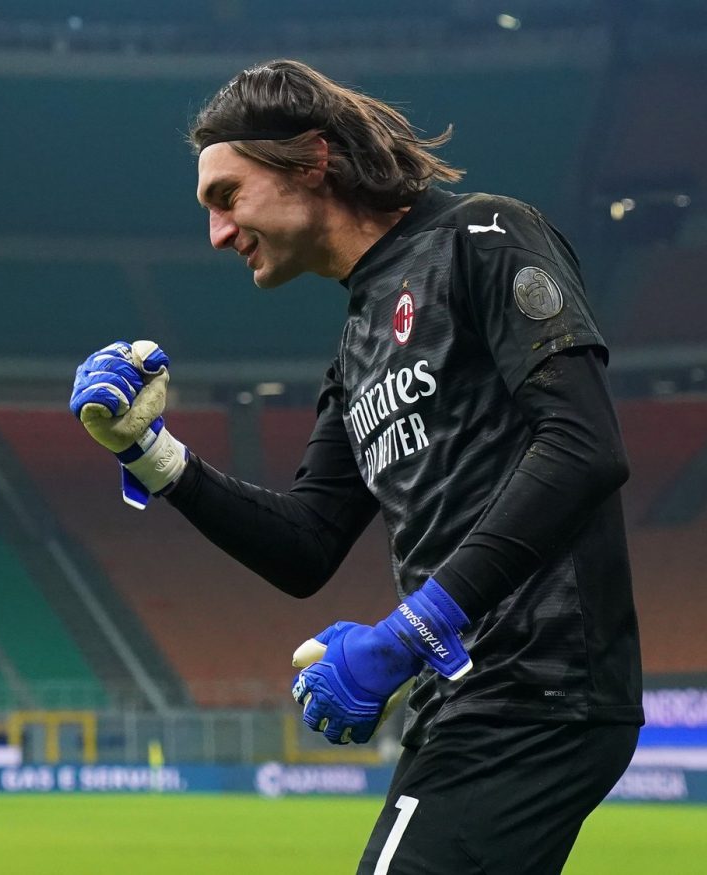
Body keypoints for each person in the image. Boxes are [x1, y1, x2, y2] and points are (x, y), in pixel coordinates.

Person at [68, 58, 642, 875]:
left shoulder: (484, 236)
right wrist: (149, 453)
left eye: (228, 197)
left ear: (311, 159)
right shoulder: (357, 345)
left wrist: (411, 630)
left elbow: (584, 444)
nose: (218, 234)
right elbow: (306, 544)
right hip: (469, 694)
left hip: (540, 685)